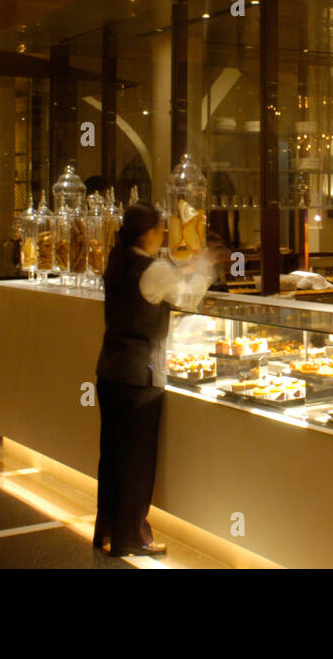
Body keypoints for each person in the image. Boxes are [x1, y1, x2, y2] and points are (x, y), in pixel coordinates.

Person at [93, 201, 215, 557]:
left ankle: (108, 531)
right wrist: (205, 266)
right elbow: (188, 299)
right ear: (148, 233)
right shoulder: (152, 268)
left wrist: (184, 267)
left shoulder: (118, 262)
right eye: (161, 229)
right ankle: (131, 538)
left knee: (112, 457)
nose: (164, 234)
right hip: (139, 378)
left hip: (110, 371)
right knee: (136, 462)